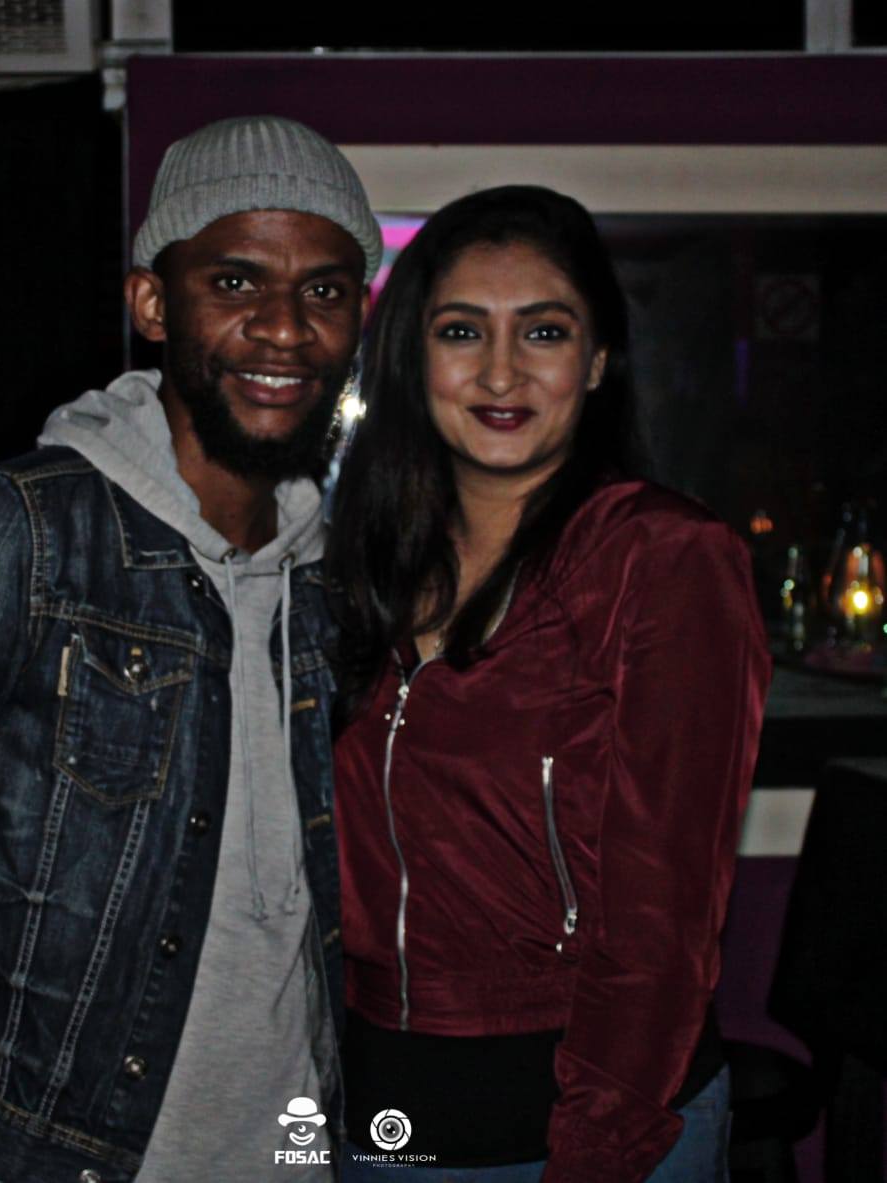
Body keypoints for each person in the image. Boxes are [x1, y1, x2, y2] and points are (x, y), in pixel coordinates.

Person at [0, 114, 381, 1183]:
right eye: (236, 282)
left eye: (326, 290)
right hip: (45, 1155)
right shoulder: (14, 529)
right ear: (154, 304)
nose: (284, 327)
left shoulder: (336, 572)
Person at [327, 185, 771, 1182]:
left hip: (580, 1124)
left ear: (597, 360)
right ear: (411, 357)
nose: (500, 371)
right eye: (460, 330)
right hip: (374, 1113)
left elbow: (663, 918)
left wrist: (600, 1145)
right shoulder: (360, 567)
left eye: (543, 331)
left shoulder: (661, 559)